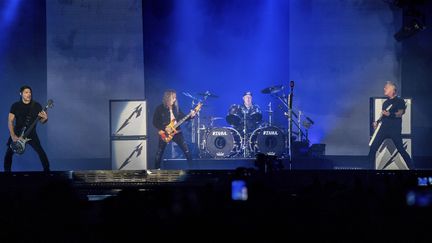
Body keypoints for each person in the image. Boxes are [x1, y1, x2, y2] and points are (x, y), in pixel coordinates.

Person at [368, 81, 415, 169]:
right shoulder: (385, 103)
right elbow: (383, 116)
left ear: (392, 89)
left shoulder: (400, 101)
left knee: (401, 150)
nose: (384, 89)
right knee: (373, 148)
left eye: (386, 87)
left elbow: (400, 113)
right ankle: (369, 172)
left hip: (394, 130)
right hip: (383, 129)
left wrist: (390, 114)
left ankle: (413, 170)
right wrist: (377, 122)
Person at [4, 85, 50, 172]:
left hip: (31, 133)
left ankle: (47, 172)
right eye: (26, 92)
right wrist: (13, 136)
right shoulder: (15, 106)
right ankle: (7, 174)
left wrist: (45, 118)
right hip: (17, 133)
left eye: (30, 92)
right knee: (9, 154)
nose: (29, 94)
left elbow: (42, 121)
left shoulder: (36, 105)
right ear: (21, 94)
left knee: (40, 152)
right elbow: (10, 121)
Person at [153, 89, 196, 169]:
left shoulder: (176, 108)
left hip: (177, 132)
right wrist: (164, 128)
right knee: (159, 152)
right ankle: (156, 170)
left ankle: (193, 169)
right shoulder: (159, 108)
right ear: (168, 98)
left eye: (175, 97)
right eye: (173, 97)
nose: (175, 99)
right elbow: (155, 122)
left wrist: (192, 116)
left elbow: (183, 118)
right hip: (165, 133)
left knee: (186, 150)